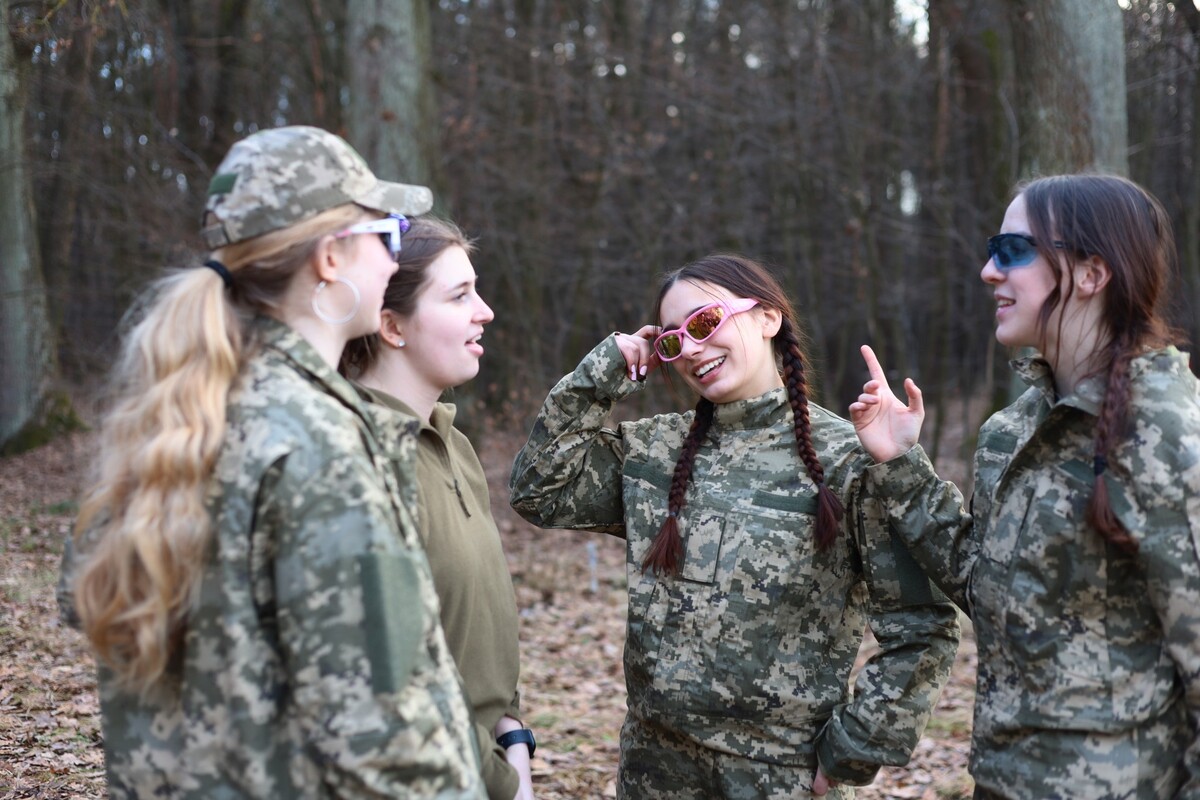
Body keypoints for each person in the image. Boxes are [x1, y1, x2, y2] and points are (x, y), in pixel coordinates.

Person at [57, 125, 486, 798]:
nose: (391, 261)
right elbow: (382, 745)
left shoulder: (177, 413)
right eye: (387, 234)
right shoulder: (316, 442)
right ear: (330, 258)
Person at [508, 253, 960, 798]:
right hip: (654, 770)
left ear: (768, 317)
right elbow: (538, 490)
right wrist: (601, 374)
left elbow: (921, 624)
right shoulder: (654, 451)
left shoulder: (852, 459)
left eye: (704, 322)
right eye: (672, 339)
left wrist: (856, 748)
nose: (691, 348)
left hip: (780, 775)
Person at [849, 174, 1200, 799]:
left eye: (1012, 251)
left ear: (1091, 273)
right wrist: (900, 462)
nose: (989, 271)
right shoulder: (1012, 431)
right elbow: (987, 585)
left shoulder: (1168, 434)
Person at [340, 217, 534, 800]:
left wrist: (512, 734)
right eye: (459, 295)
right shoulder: (360, 459)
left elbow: (473, 628)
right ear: (391, 325)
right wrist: (505, 780)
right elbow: (391, 675)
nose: (485, 312)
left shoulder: (454, 445)